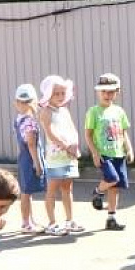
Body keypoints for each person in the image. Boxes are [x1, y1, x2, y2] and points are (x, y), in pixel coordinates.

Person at [84, 73, 134, 231]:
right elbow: (88, 135)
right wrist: (94, 153)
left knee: (115, 186)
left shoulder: (119, 111)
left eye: (111, 91)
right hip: (104, 154)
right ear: (99, 92)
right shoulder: (93, 112)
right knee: (112, 178)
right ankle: (98, 191)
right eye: (104, 91)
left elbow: (123, 132)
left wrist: (129, 149)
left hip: (118, 153)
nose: (107, 95)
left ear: (117, 92)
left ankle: (111, 218)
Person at [38, 75, 83, 236]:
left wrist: (75, 146)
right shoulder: (45, 111)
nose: (60, 96)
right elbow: (50, 133)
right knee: (51, 190)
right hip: (55, 158)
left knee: (67, 188)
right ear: (48, 94)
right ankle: (52, 223)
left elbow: (72, 129)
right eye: (56, 93)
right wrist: (65, 146)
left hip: (68, 156)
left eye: (62, 93)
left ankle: (69, 220)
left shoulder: (64, 110)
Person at [12, 84, 46, 232]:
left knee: (27, 192)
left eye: (26, 101)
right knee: (26, 192)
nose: (24, 104)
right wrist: (37, 164)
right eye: (22, 101)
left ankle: (29, 220)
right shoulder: (30, 121)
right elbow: (31, 145)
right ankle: (26, 223)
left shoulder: (19, 119)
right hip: (30, 159)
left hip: (23, 158)